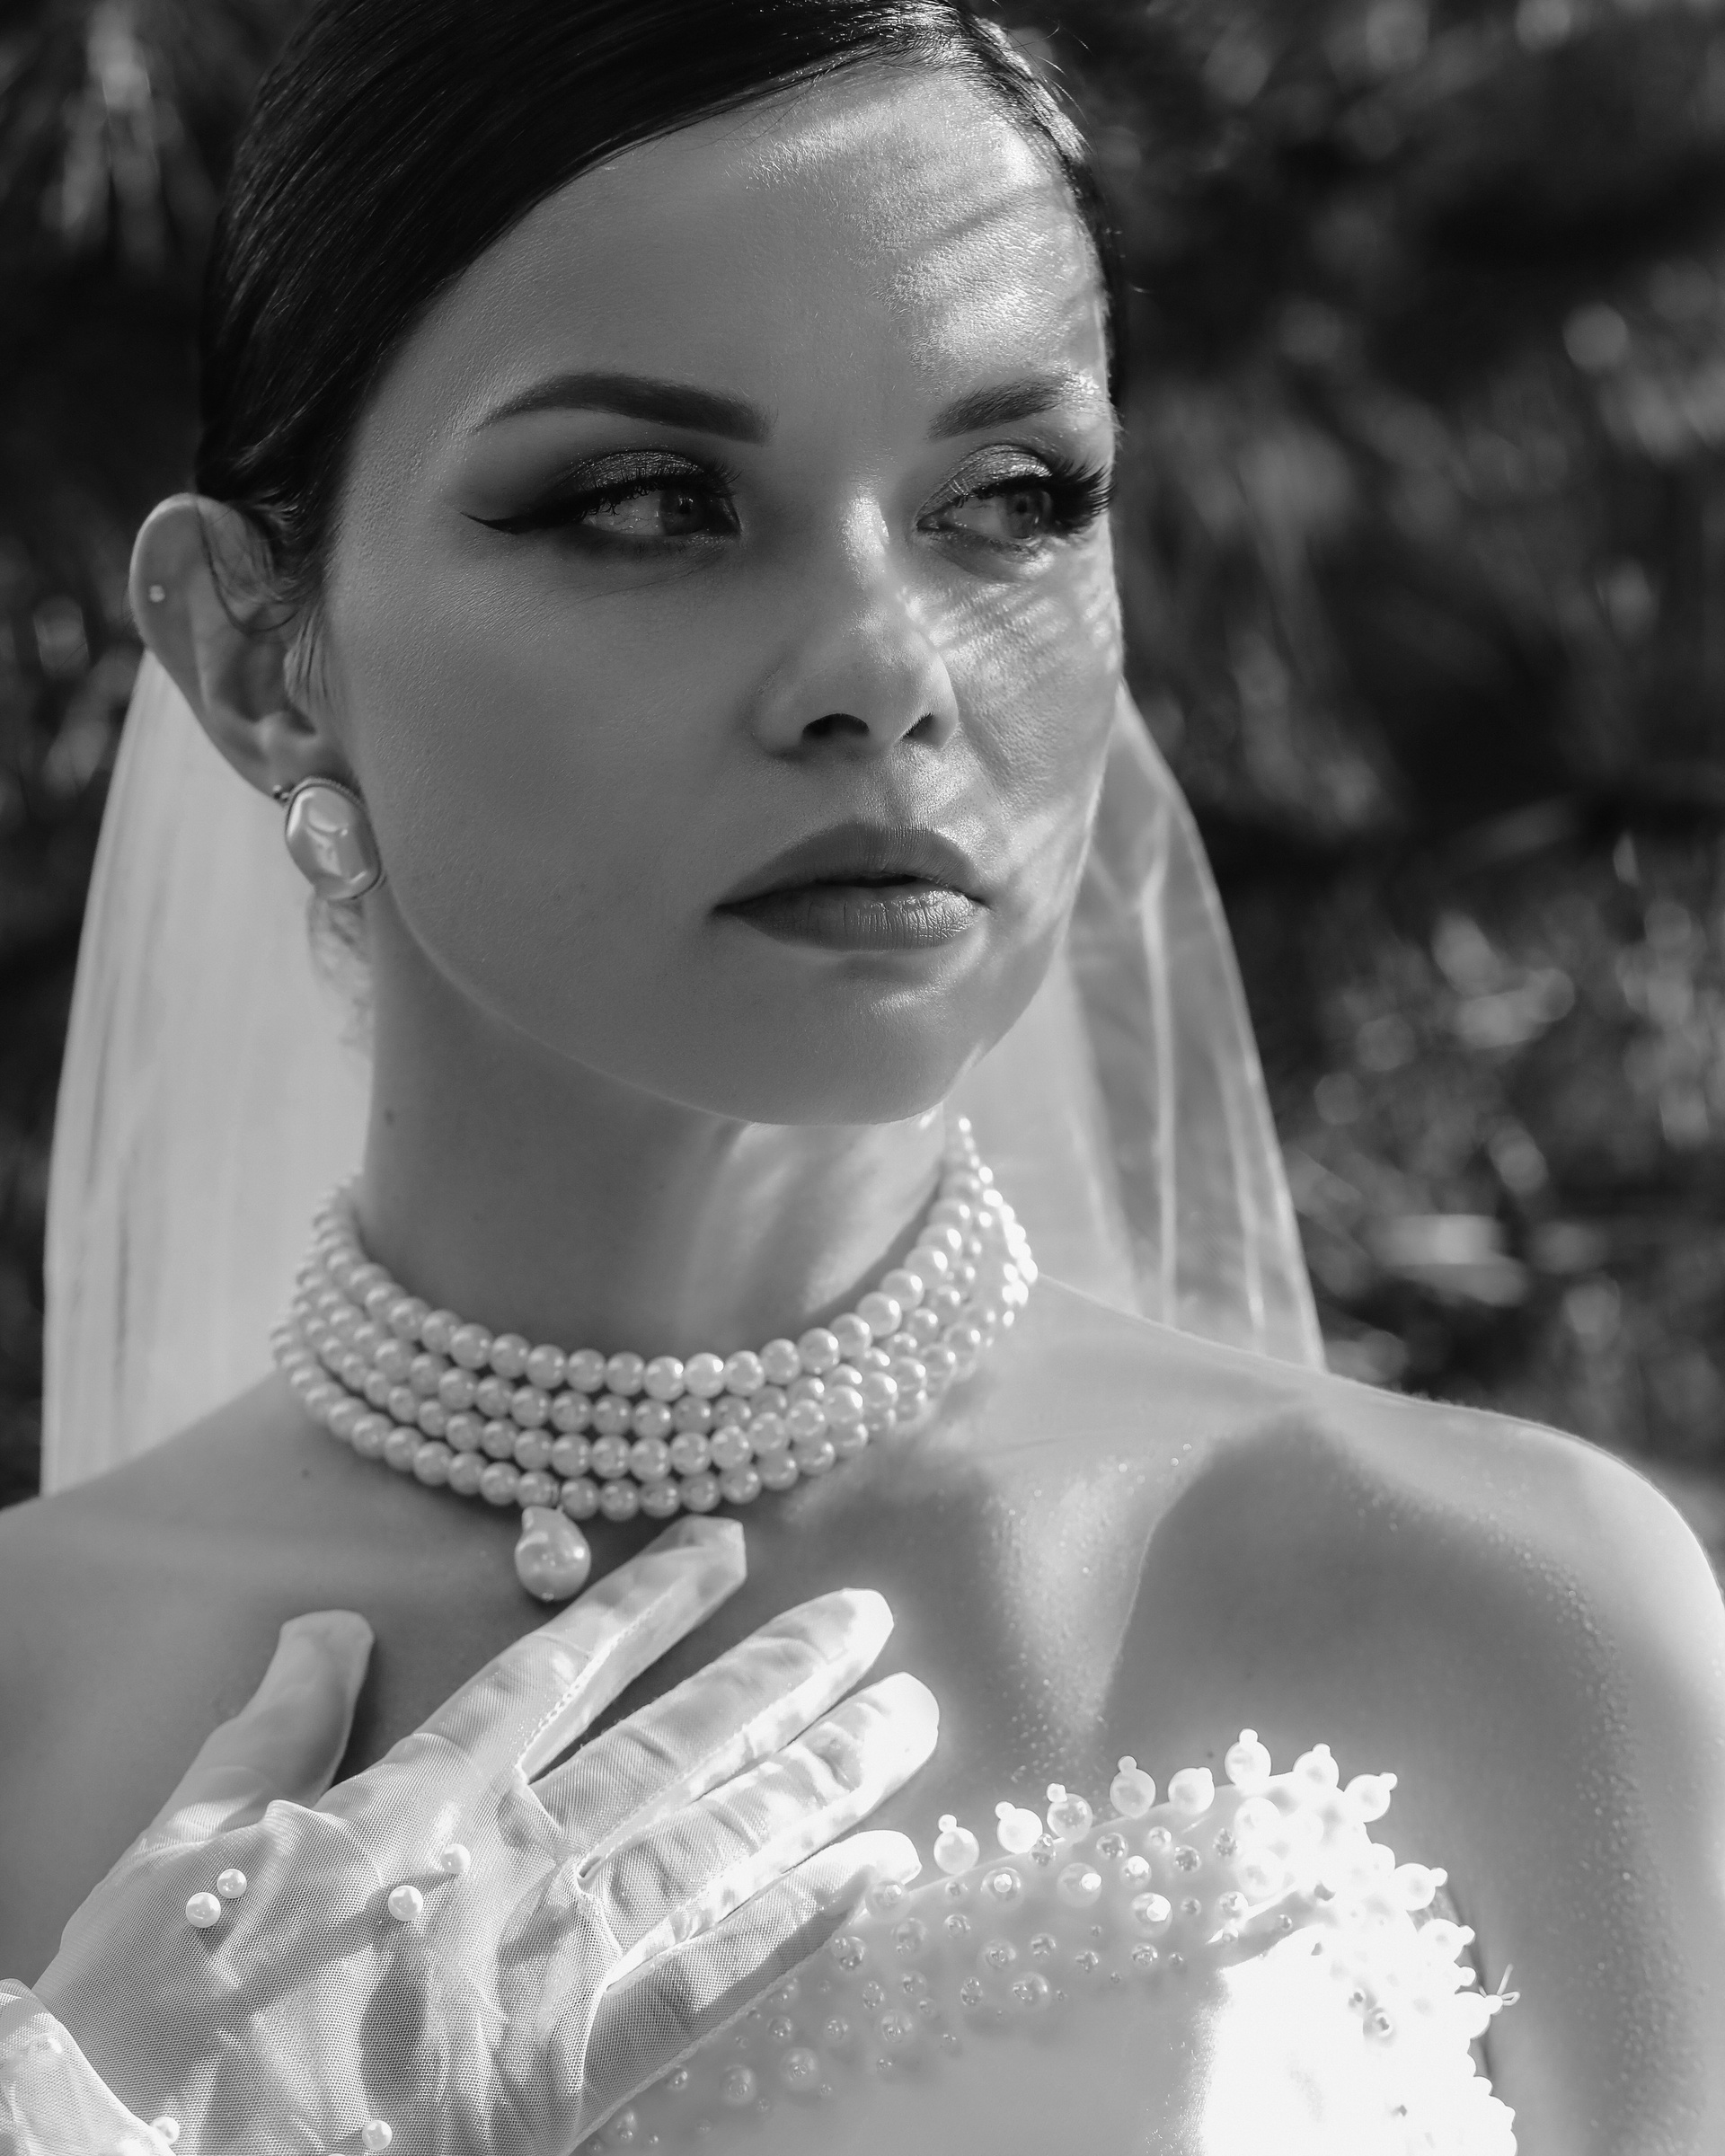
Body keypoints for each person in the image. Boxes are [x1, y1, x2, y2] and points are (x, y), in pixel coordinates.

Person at [2, 0, 1722, 2148]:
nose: (885, 673)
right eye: (649, 502)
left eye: (1009, 500)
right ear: (259, 655)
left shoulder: (1510, 1607)